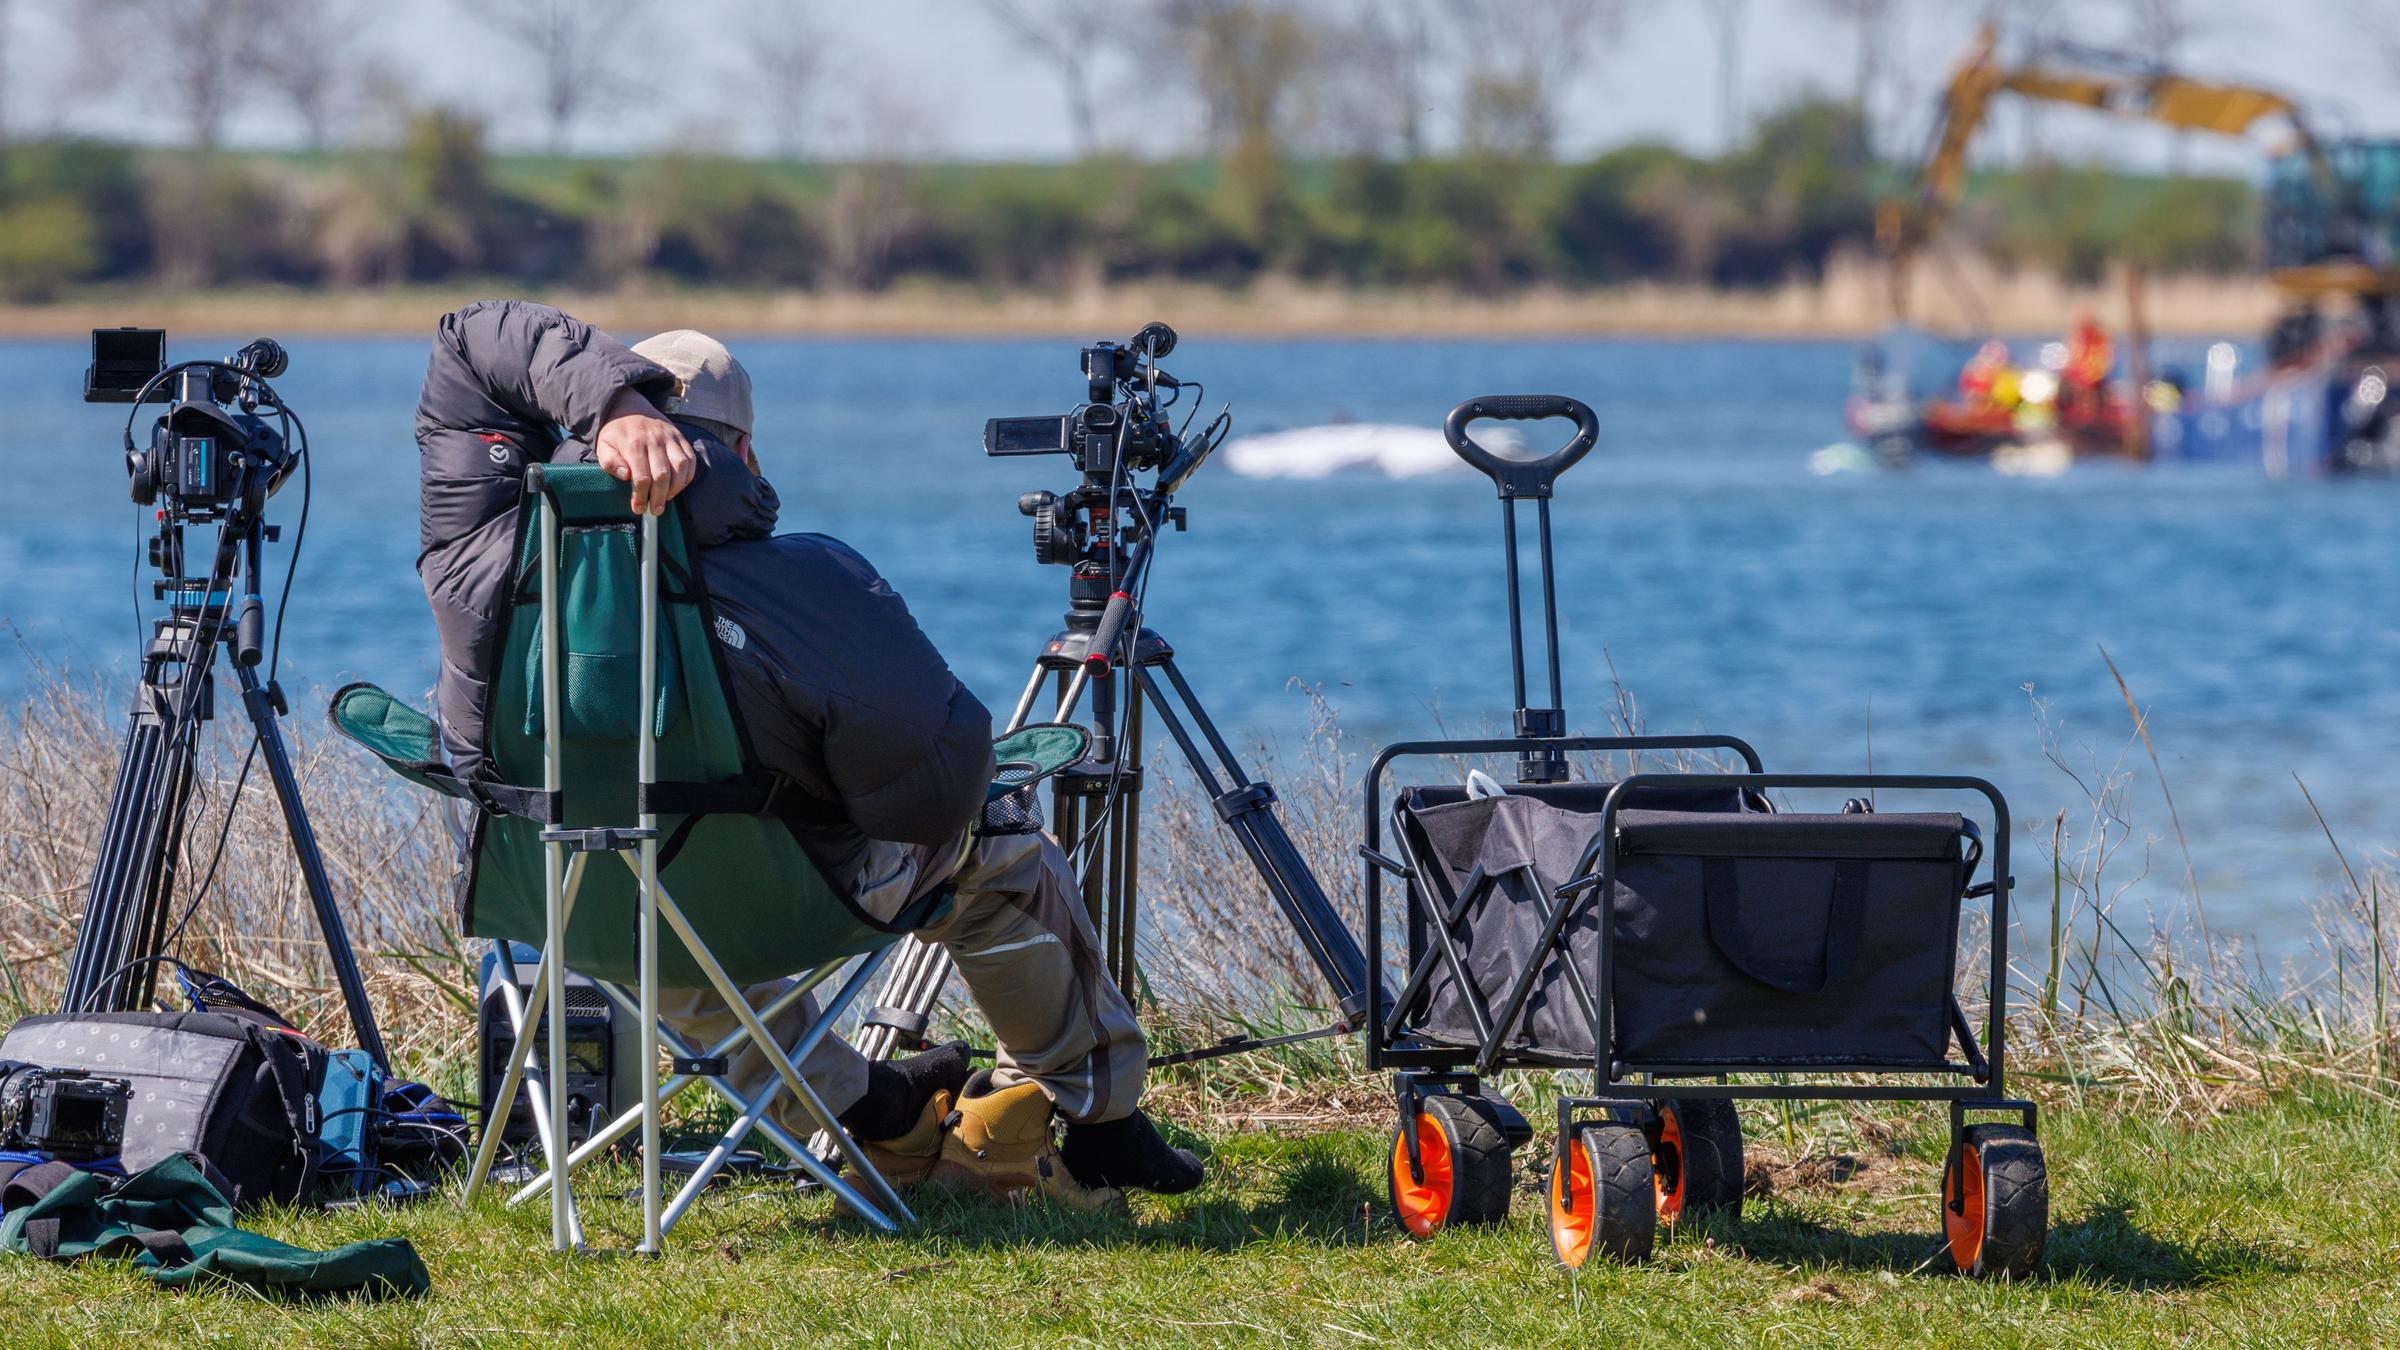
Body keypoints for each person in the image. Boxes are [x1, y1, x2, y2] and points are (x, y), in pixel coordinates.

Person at [413, 300, 1201, 1205]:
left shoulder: (476, 555)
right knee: (996, 837)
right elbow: (929, 803)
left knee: (652, 900)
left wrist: (611, 400)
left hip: (563, 906)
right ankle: (1102, 1118)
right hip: (768, 910)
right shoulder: (812, 584)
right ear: (741, 455)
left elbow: (468, 339)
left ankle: (876, 1108)